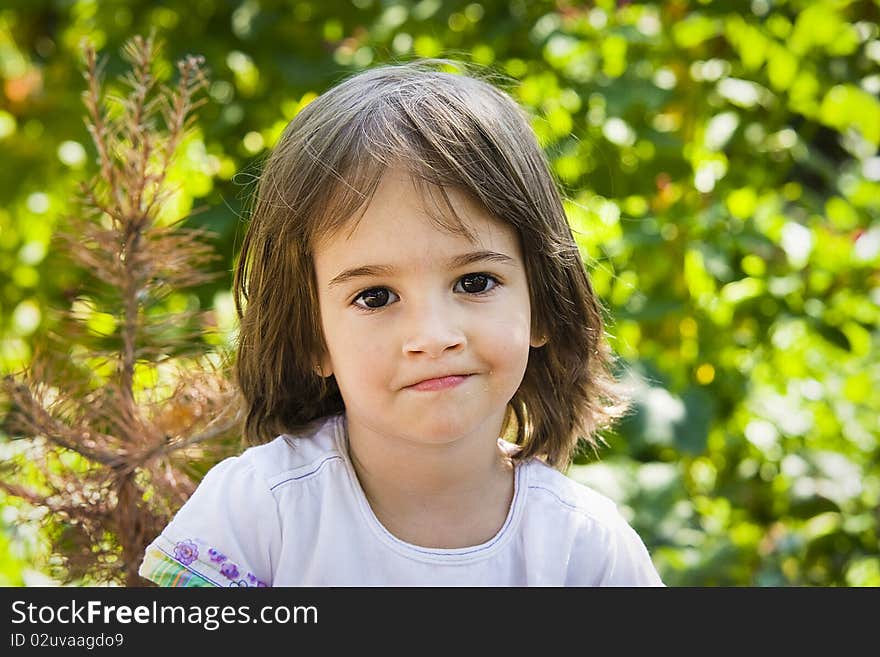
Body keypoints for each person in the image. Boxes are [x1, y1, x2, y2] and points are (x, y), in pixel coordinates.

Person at [138, 59, 663, 587]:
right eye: (376, 296)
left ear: (542, 304)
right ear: (312, 337)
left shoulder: (586, 550)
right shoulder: (257, 514)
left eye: (475, 282)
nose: (434, 336)